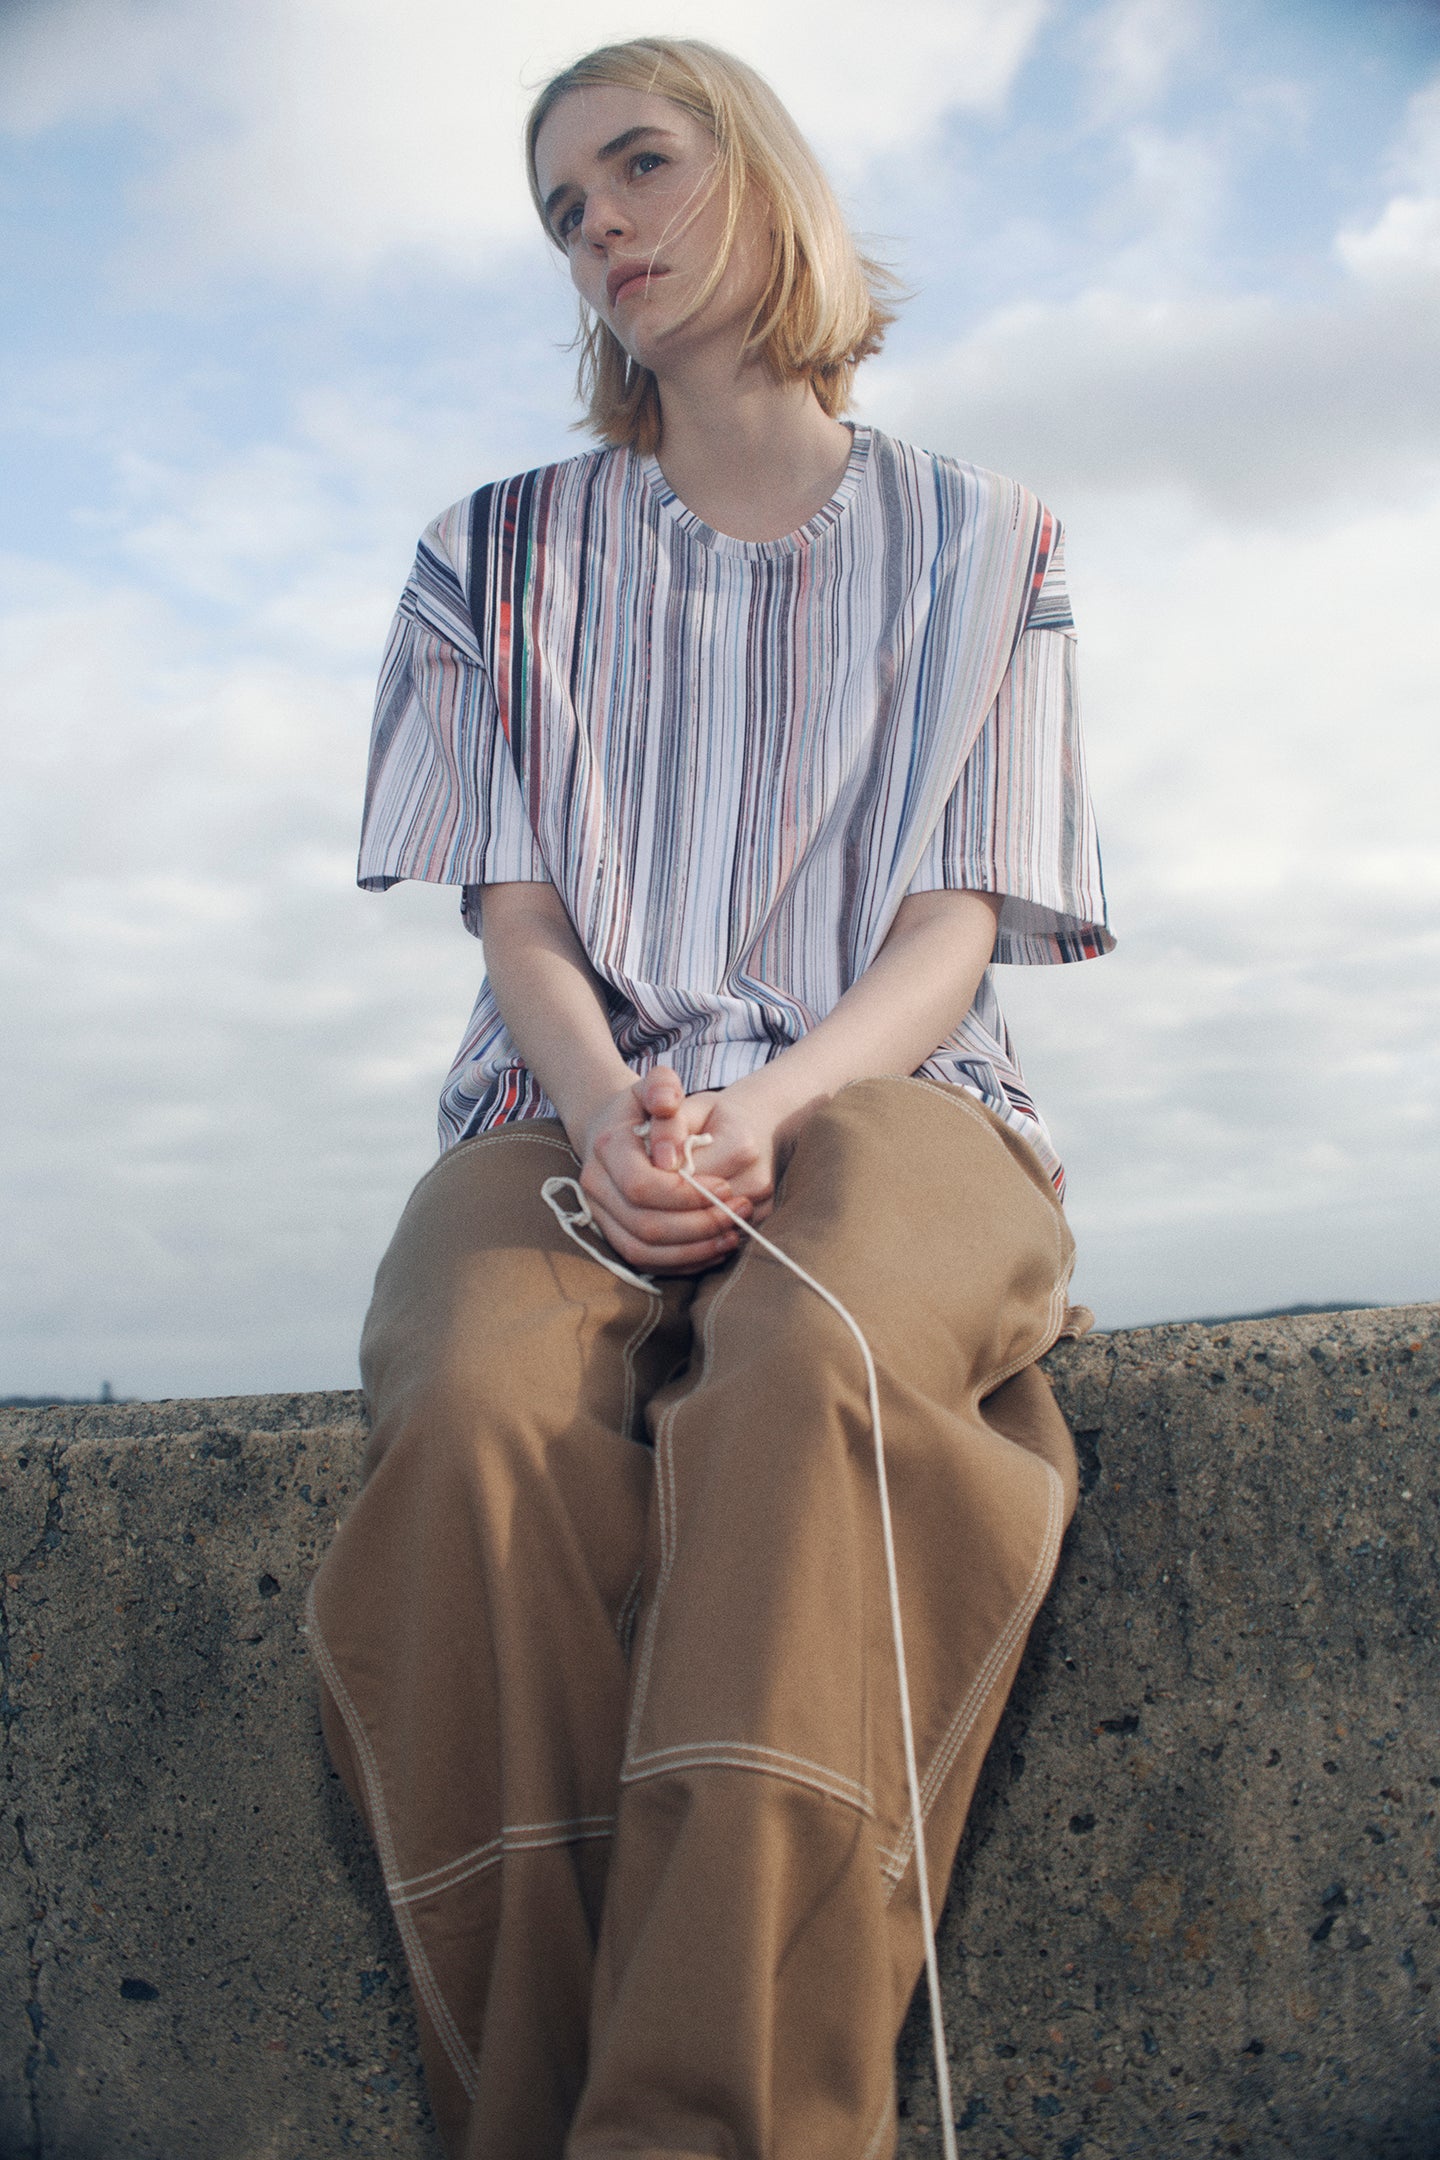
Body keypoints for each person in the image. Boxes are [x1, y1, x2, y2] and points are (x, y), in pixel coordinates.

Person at [308, 35, 1113, 2160]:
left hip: (895, 1080)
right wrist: (602, 1110)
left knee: (788, 1377)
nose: (605, 231)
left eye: (640, 167)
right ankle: (540, 2107)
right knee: (478, 1400)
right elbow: (517, 913)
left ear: (762, 177)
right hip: (558, 1098)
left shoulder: (988, 538)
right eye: (566, 211)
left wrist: (783, 1105)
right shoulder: (485, 552)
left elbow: (960, 918)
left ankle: (713, 2125)